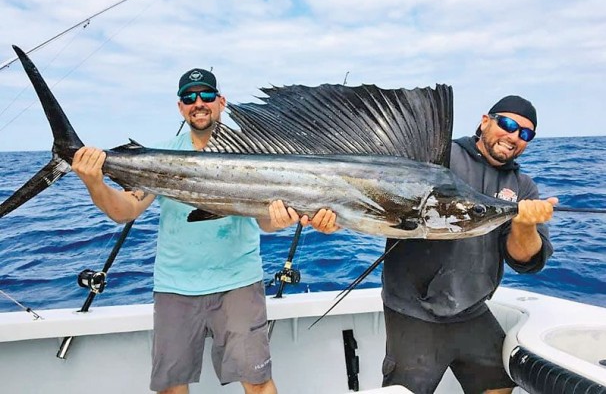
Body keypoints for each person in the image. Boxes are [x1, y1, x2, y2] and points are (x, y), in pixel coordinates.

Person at [71, 68, 338, 394]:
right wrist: (94, 182)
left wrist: (279, 221)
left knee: (257, 383)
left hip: (238, 283)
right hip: (175, 285)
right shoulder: (161, 155)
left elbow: (265, 220)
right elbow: (123, 210)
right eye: (189, 97)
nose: (199, 103)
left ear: (221, 101)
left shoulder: (254, 155)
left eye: (207, 95)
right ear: (180, 107)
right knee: (171, 388)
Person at [381, 95, 558, 394]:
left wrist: (525, 225)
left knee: (500, 383)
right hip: (413, 310)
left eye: (525, 133)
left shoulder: (523, 187)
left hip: (472, 309)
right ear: (485, 121)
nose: (514, 136)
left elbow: (524, 260)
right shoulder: (437, 157)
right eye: (508, 124)